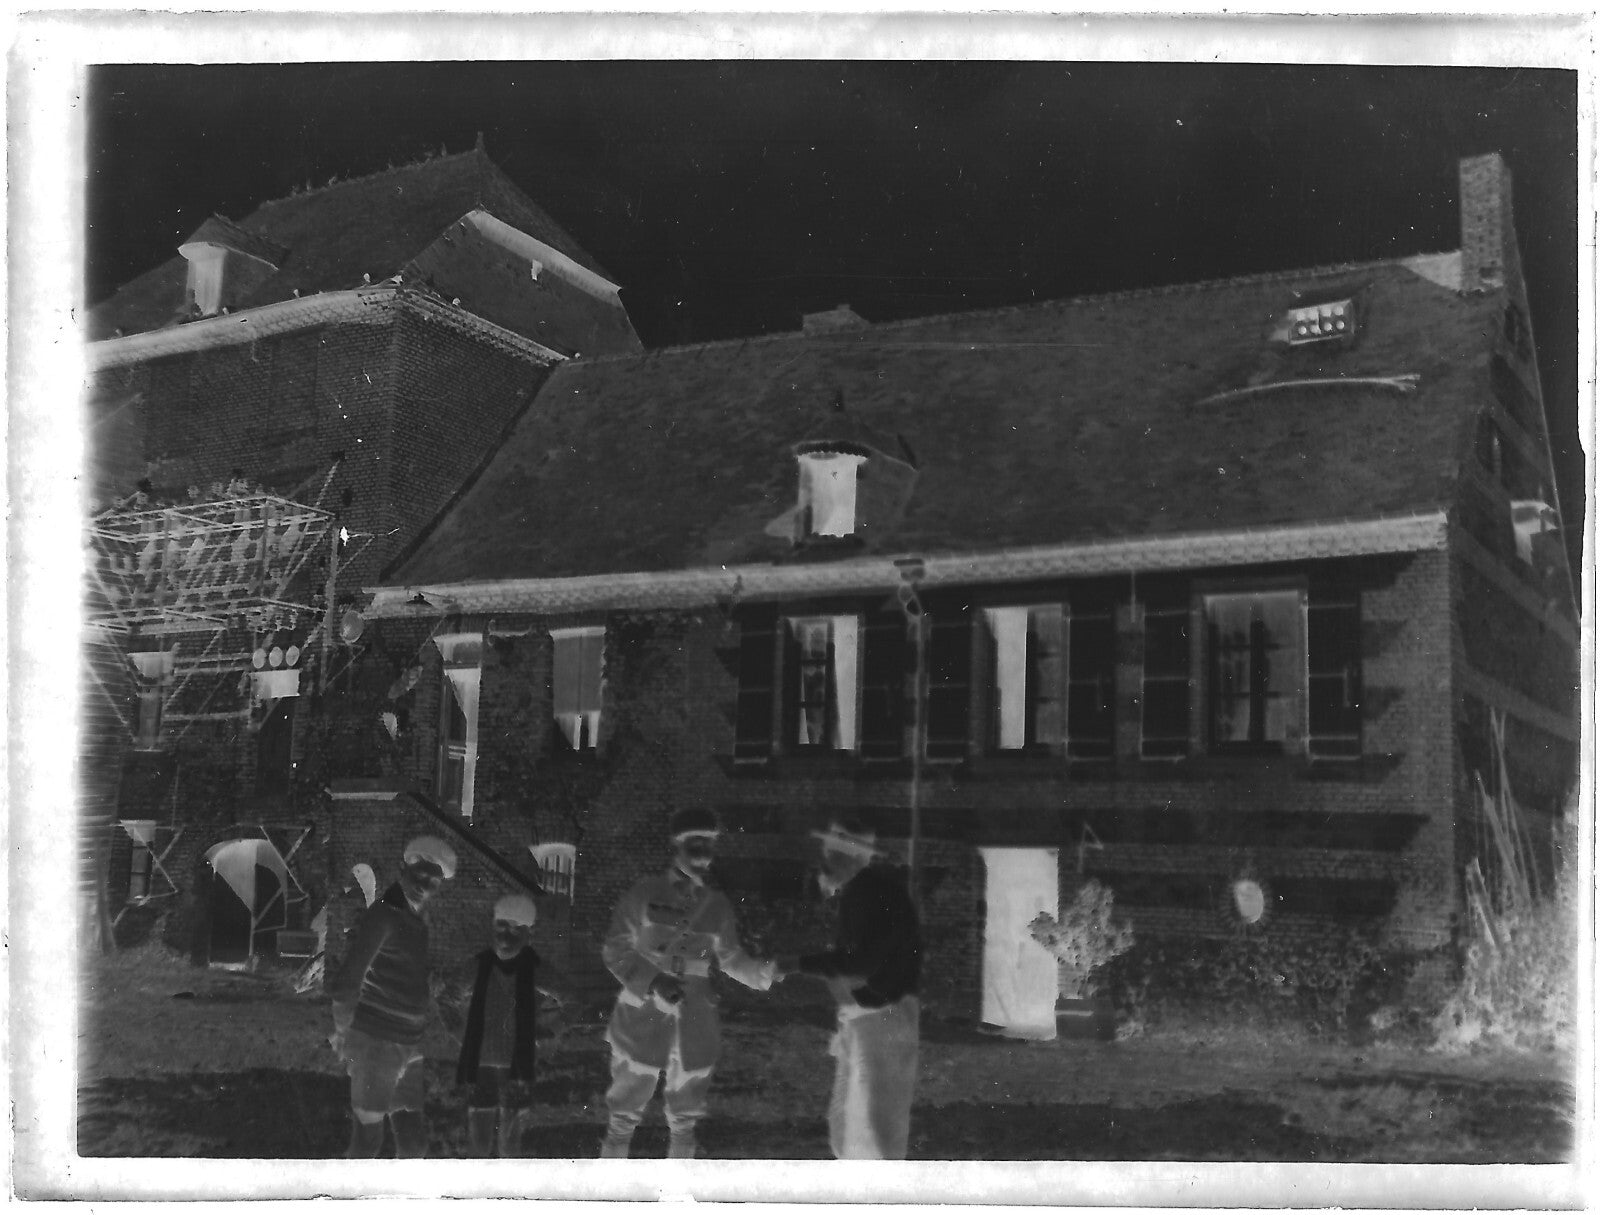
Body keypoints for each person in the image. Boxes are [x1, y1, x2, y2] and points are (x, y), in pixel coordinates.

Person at [599, 807, 783, 1159]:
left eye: (709, 845)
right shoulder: (644, 892)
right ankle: (609, 1185)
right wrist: (655, 980)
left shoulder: (718, 905)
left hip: (695, 1019)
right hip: (644, 1014)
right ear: (677, 845)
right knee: (623, 1111)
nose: (703, 854)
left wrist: (764, 971)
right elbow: (615, 949)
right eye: (696, 844)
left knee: (686, 1118)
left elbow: (732, 958)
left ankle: (678, 1185)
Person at [782, 818, 922, 1160]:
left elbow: (858, 963)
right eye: (827, 851)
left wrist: (795, 963)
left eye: (834, 854)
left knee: (870, 1125)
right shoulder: (868, 891)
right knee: (852, 1120)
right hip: (871, 1016)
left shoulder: (864, 892)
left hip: (881, 1019)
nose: (825, 860)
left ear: (856, 858)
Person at [328, 834, 458, 1158]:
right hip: (375, 1043)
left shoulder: (417, 921)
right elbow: (345, 985)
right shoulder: (382, 915)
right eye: (420, 875)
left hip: (409, 1046)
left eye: (434, 881)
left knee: (414, 1145)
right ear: (404, 869)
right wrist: (345, 1034)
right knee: (367, 1144)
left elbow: (400, 971)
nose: (425, 886)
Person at [449, 892, 562, 1158]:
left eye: (514, 931)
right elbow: (447, 997)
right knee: (479, 1136)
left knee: (511, 1138)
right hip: (482, 1064)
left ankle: (508, 1181)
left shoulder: (536, 968)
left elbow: (574, 999)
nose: (505, 937)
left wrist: (549, 1029)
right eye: (500, 928)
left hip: (518, 1066)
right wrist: (459, 1032)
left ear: (528, 934)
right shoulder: (479, 965)